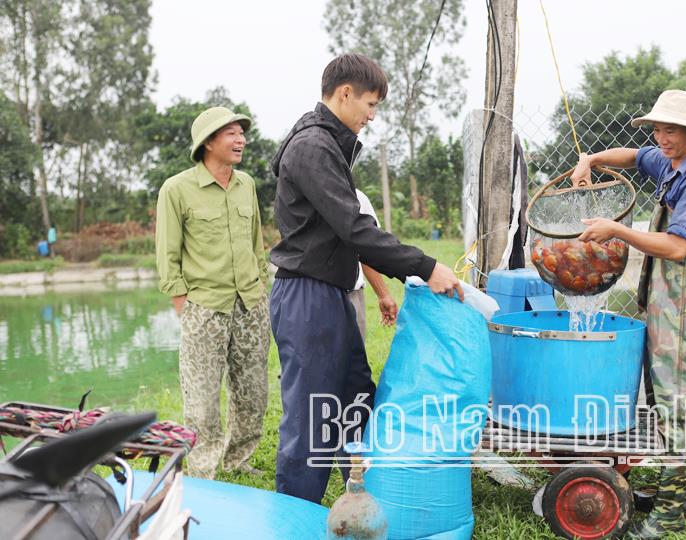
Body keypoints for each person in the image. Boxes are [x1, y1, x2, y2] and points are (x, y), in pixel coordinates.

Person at [269, 52, 463, 504]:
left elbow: (353, 234)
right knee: (312, 419)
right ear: (345, 94)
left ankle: (360, 496)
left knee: (355, 396)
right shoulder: (313, 147)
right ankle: (296, 520)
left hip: (333, 291)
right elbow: (356, 229)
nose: (372, 116)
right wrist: (426, 266)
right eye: (370, 105)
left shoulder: (329, 146)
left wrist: (409, 271)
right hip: (307, 294)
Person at [572, 89, 686, 539]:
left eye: (671, 130)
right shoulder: (671, 162)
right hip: (671, 303)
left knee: (682, 407)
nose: (661, 138)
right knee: (666, 403)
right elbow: (632, 156)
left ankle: (671, 516)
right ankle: (676, 497)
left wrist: (617, 230)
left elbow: (678, 246)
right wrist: (590, 159)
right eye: (658, 129)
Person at [155, 106, 271, 479]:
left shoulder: (246, 185)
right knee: (202, 401)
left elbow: (256, 243)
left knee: (253, 393)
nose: (241, 140)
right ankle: (203, 470)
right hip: (204, 307)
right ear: (207, 142)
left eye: (242, 133)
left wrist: (261, 285)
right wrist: (182, 304)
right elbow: (167, 254)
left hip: (251, 303)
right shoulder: (176, 189)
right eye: (231, 134)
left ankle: (239, 461)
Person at [348, 188, 399, 338]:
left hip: (351, 293)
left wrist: (383, 294)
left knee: (352, 356)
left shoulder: (357, 197)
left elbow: (366, 248)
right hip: (312, 292)